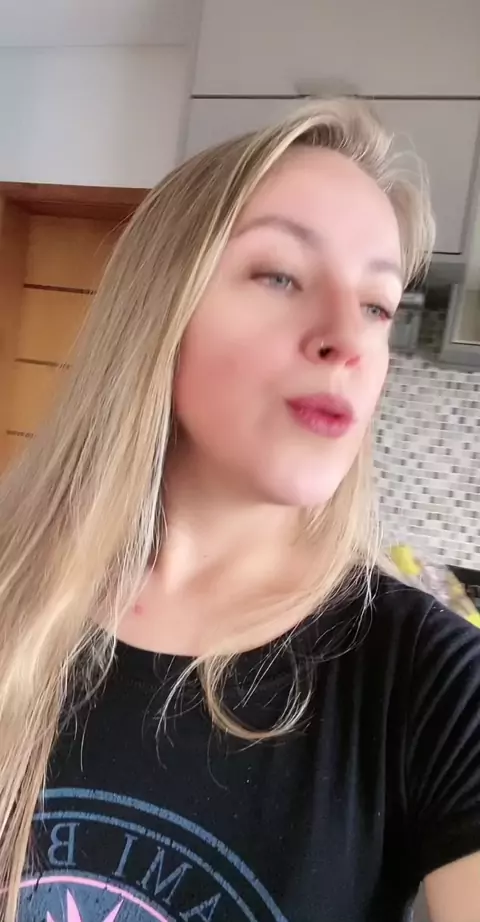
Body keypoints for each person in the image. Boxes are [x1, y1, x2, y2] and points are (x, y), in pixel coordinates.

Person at [0, 98, 479, 922]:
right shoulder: (12, 585)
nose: (347, 338)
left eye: (377, 304)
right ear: (161, 309)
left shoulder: (434, 683)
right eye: (281, 276)